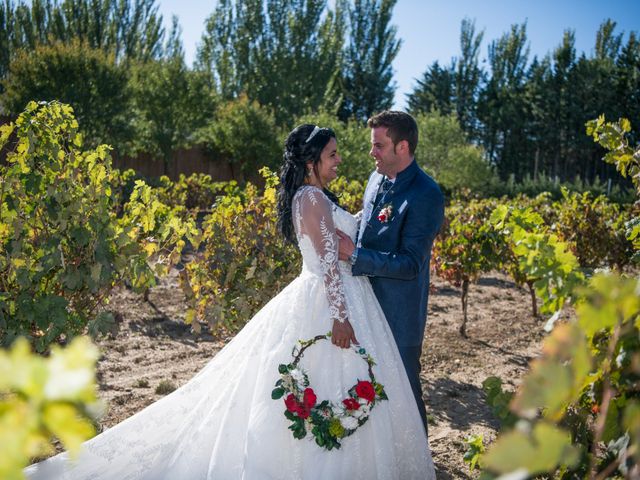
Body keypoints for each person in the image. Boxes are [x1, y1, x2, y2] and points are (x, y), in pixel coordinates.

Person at [25, 124, 435, 479]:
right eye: (332, 154)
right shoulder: (310, 199)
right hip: (331, 303)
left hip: (344, 298)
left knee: (339, 383)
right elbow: (329, 265)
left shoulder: (315, 196)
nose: (339, 160)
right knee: (325, 379)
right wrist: (341, 318)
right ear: (311, 162)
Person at [337, 111, 445, 433]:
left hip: (399, 315)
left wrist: (354, 255)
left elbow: (411, 263)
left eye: (379, 146)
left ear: (403, 147)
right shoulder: (376, 179)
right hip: (362, 306)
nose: (372, 153)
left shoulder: (427, 194)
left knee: (405, 392)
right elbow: (368, 227)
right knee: (365, 387)